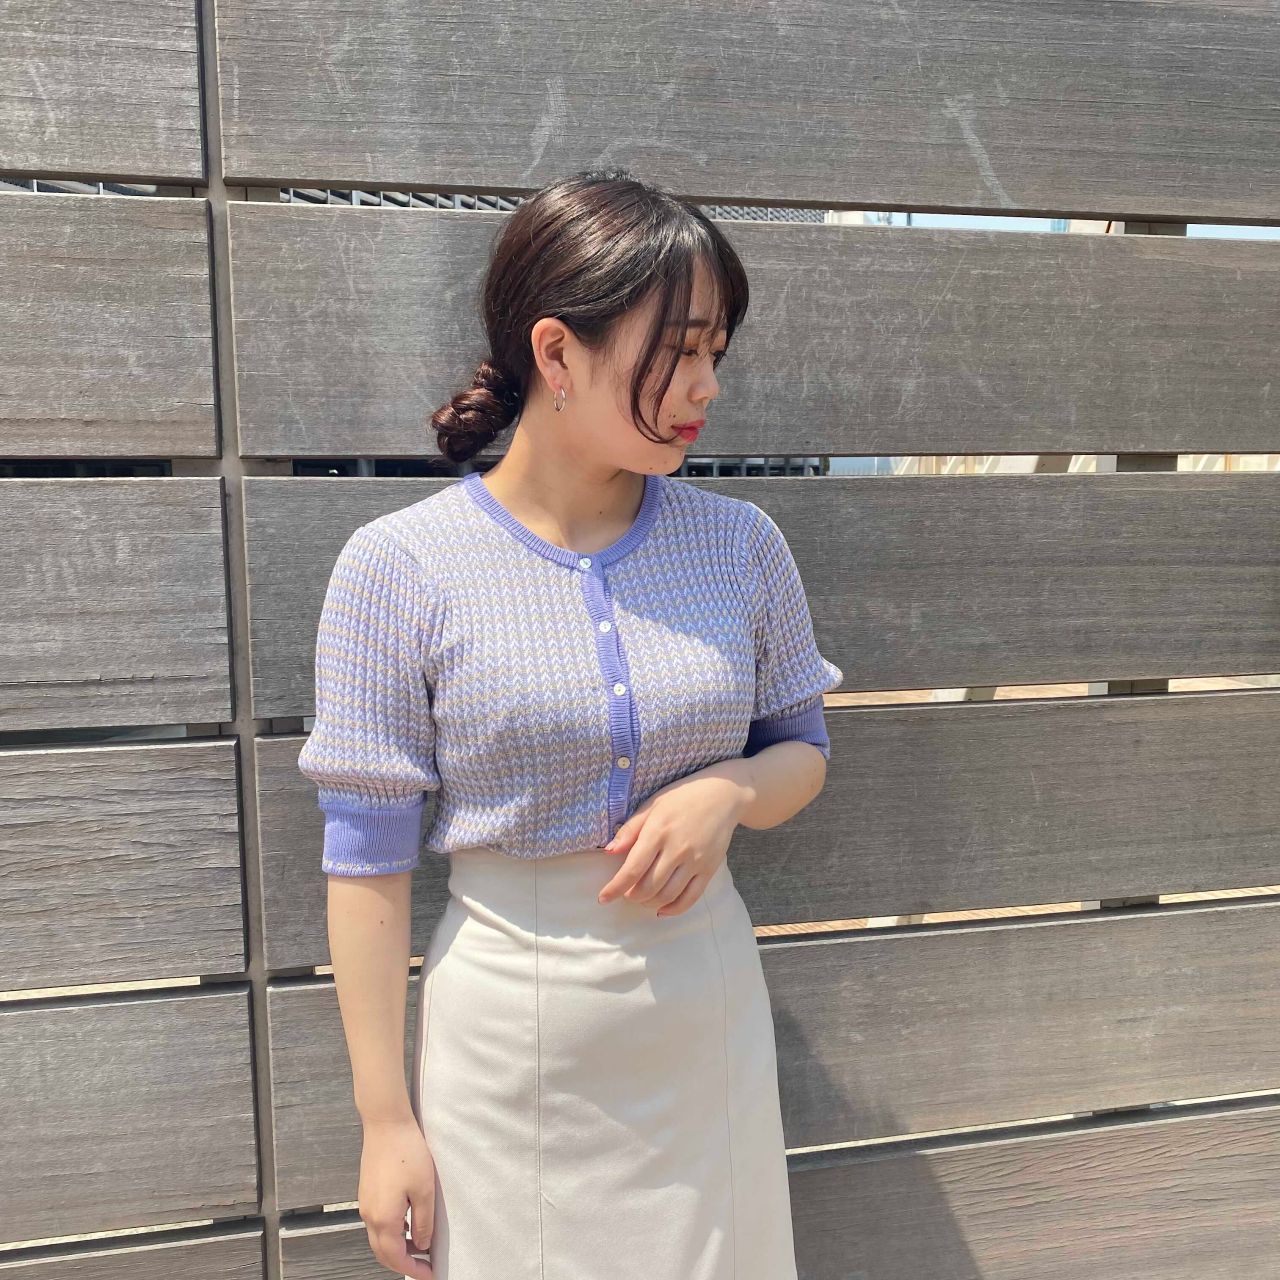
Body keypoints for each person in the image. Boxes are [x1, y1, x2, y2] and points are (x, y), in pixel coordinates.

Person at [297, 167, 843, 1280]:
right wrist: (385, 1121)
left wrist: (729, 790)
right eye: (677, 350)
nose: (705, 385)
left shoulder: (741, 545)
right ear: (556, 351)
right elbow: (365, 859)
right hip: (508, 1043)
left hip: (704, 1021)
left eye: (716, 352)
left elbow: (804, 751)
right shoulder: (398, 568)